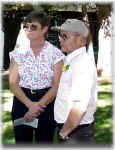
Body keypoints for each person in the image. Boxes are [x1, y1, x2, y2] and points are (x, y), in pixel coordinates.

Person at [9, 10, 65, 144]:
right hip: (22, 103)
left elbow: (56, 85)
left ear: (44, 29)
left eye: (33, 26)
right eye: (26, 26)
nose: (28, 30)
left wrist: (37, 106)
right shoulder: (18, 53)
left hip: (46, 104)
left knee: (44, 142)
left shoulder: (56, 54)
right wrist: (30, 105)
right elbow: (13, 83)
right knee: (22, 142)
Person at [53, 19, 97, 144]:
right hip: (72, 130)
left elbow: (80, 106)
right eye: (60, 35)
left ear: (81, 40)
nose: (60, 39)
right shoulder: (71, 61)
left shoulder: (82, 64)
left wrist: (63, 133)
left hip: (75, 133)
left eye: (65, 36)